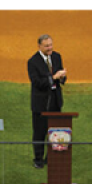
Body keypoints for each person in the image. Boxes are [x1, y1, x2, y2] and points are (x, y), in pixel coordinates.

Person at [27, 34, 67, 168]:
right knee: (39, 132)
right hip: (41, 103)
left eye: (50, 45)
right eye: (46, 46)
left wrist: (62, 77)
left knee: (55, 131)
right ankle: (38, 160)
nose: (50, 48)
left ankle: (51, 158)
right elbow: (37, 82)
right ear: (39, 46)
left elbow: (61, 77)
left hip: (55, 100)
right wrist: (54, 77)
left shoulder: (57, 56)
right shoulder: (33, 62)